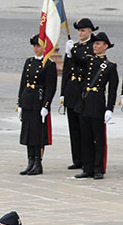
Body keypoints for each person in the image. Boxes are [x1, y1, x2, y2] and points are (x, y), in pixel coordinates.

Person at [75, 31, 118, 180]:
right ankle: (87, 168)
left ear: (105, 46)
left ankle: (98, 168)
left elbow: (112, 90)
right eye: (94, 43)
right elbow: (77, 61)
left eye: (98, 44)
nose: (95, 46)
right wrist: (70, 52)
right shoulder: (88, 61)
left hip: (98, 103)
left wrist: (109, 108)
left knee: (98, 138)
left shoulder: (110, 66)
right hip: (85, 103)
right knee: (85, 137)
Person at [17, 38, 58, 175]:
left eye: (38, 46)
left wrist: (46, 105)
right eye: (34, 46)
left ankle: (38, 162)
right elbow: (23, 82)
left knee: (38, 134)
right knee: (28, 133)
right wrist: (20, 104)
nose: (36, 49)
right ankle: (30, 161)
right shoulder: (29, 62)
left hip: (39, 101)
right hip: (28, 99)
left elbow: (50, 87)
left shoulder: (49, 64)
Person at [62, 18, 97, 170]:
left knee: (84, 128)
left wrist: (71, 55)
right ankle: (77, 158)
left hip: (84, 90)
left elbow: (86, 64)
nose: (80, 33)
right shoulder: (74, 47)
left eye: (83, 30)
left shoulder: (93, 47)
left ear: (90, 31)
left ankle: (87, 159)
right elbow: (66, 71)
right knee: (74, 127)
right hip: (72, 90)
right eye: (79, 30)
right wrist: (63, 92)